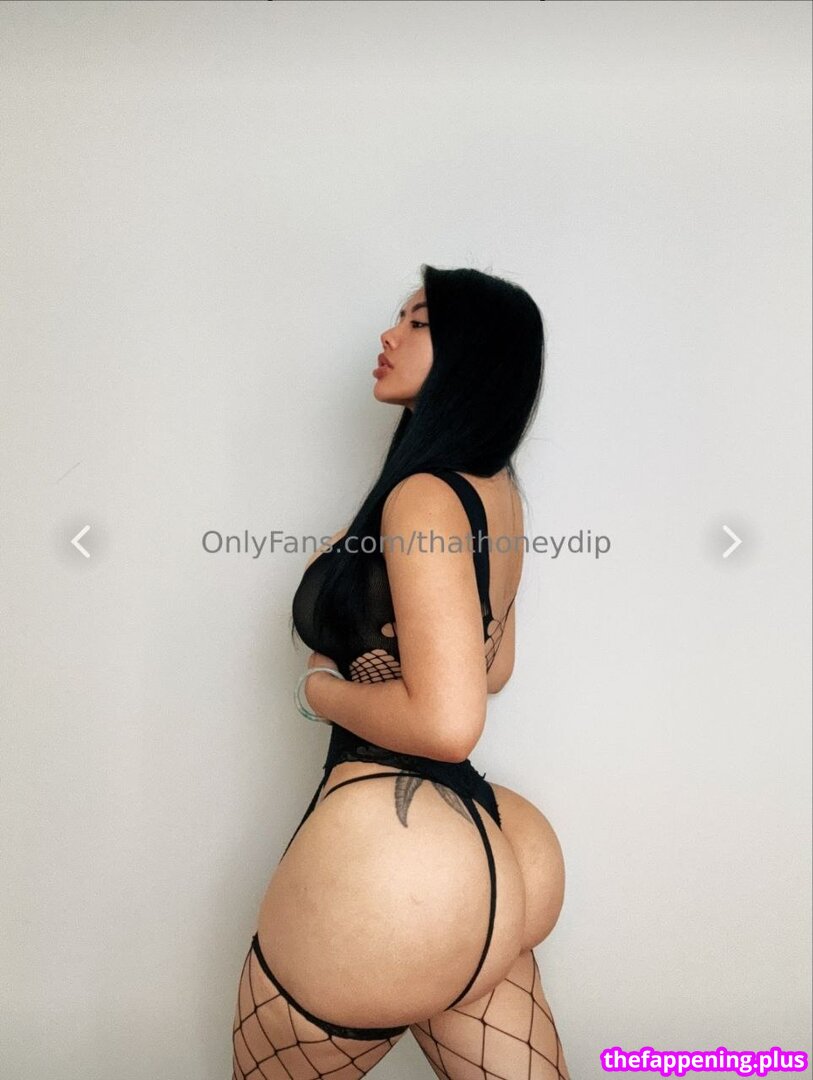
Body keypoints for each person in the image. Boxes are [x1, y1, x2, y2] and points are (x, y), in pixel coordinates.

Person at [231, 265, 570, 1079]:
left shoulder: (420, 497)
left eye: (418, 322)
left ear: (472, 354)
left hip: (397, 864)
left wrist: (320, 691)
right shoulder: (493, 491)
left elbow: (449, 722)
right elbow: (492, 667)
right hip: (491, 853)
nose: (388, 335)